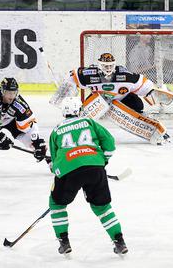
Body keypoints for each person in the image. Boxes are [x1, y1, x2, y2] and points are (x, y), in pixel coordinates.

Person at [46, 97, 127, 255]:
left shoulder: (56, 130)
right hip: (94, 167)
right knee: (102, 207)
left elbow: (55, 163)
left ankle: (64, 242)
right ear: (79, 110)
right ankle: (120, 242)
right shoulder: (89, 122)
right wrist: (103, 160)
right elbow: (109, 142)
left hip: (68, 171)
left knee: (56, 204)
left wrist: (54, 166)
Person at [50, 52, 173, 145]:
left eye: (110, 65)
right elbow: (72, 76)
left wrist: (153, 92)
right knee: (84, 112)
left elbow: (144, 84)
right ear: (99, 65)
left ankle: (153, 129)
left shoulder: (125, 76)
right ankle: (76, 132)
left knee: (138, 106)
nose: (108, 68)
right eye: (105, 65)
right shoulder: (89, 74)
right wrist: (65, 89)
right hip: (100, 101)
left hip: (124, 99)